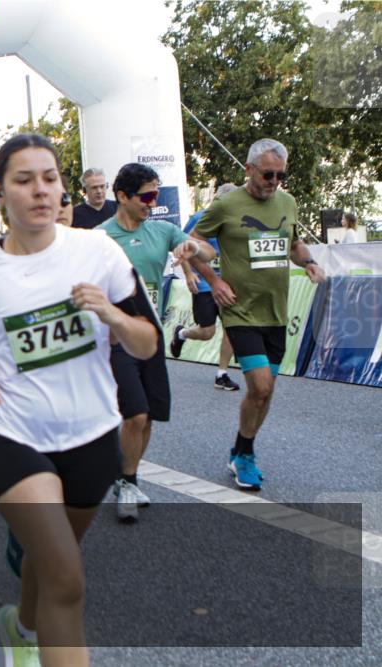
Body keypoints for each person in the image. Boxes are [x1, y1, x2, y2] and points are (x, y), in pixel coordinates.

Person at [0, 134, 157, 666]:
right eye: (23, 180)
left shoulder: (96, 251)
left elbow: (147, 343)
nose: (40, 190)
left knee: (51, 557)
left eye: (49, 178)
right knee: (66, 576)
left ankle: (21, 627)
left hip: (91, 435)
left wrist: (111, 314)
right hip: (10, 432)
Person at [188, 138, 326, 490]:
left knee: (265, 393)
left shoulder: (288, 202)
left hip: (276, 312)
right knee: (260, 385)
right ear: (249, 169)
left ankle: (241, 449)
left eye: (280, 175)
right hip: (240, 311)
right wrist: (214, 281)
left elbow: (293, 244)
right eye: (268, 174)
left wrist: (309, 262)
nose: (274, 181)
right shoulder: (226, 204)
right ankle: (246, 456)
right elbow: (193, 246)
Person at [97, 163, 215, 521]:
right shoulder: (100, 238)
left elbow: (208, 253)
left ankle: (124, 477)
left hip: (151, 339)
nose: (152, 202)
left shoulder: (162, 230)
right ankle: (127, 481)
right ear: (122, 196)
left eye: (156, 195)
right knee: (136, 413)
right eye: (146, 195)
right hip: (115, 340)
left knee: (147, 418)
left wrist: (191, 248)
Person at [170, 184, 241, 391]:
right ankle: (181, 334)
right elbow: (181, 246)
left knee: (231, 327)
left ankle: (222, 373)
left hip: (228, 283)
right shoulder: (199, 218)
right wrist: (189, 273)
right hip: (204, 284)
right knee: (207, 332)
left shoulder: (236, 221)